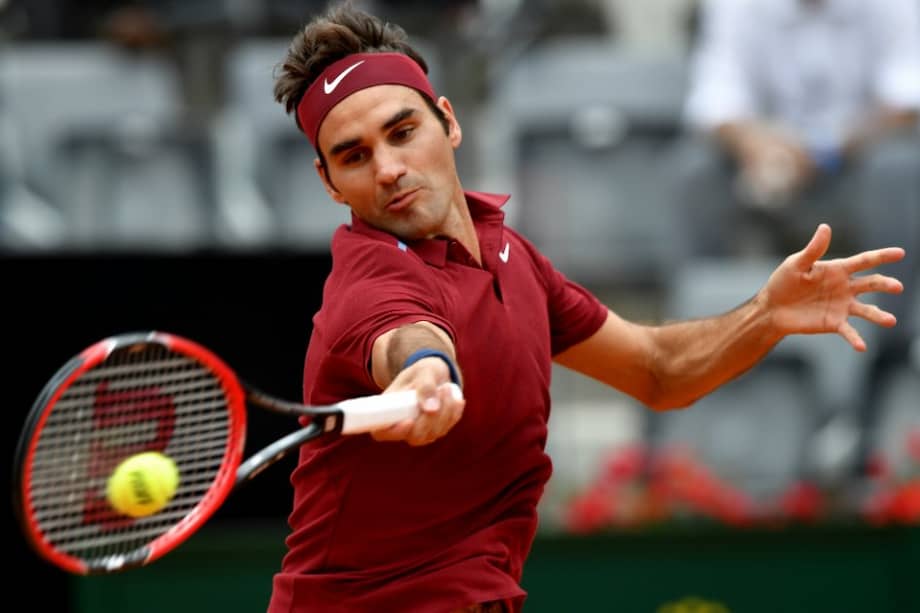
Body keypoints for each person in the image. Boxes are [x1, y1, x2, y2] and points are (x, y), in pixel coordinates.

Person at [268, 2, 906, 611]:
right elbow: (405, 338)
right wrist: (429, 374)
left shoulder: (509, 254)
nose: (388, 168)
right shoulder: (371, 283)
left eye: (402, 132)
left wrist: (764, 314)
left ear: (449, 123)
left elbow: (657, 371)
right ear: (328, 183)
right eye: (355, 156)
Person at [675, 0, 920, 349]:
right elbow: (715, 99)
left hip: (859, 161)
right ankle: (702, 344)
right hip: (765, 161)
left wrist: (826, 150)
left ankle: (891, 345)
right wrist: (756, 145)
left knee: (897, 170)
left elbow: (907, 98)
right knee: (695, 172)